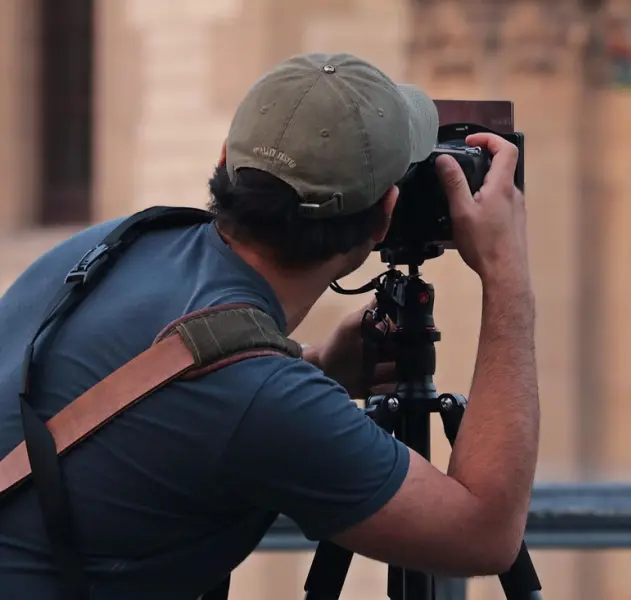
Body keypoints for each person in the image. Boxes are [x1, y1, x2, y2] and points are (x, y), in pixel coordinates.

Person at [0, 53, 539, 599]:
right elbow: (484, 535)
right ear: (384, 215)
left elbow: (174, 396)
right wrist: (505, 276)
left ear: (227, 160)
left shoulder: (111, 245)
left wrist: (317, 366)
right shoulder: (262, 398)